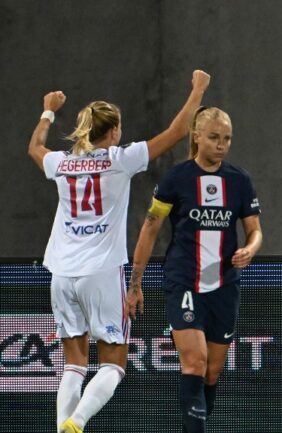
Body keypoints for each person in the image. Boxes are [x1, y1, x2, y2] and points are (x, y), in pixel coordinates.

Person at [27, 70, 210, 433]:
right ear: (112, 131)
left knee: (74, 365)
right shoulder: (119, 159)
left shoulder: (62, 163)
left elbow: (34, 148)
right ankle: (77, 422)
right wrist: (198, 90)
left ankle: (63, 428)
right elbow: (177, 132)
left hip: (61, 272)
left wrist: (48, 111)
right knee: (113, 365)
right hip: (101, 271)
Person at [127, 106, 263, 433]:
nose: (221, 144)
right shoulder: (177, 178)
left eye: (227, 138)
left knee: (212, 371)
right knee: (195, 361)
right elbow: (150, 228)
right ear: (197, 137)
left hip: (224, 285)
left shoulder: (240, 180)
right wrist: (135, 283)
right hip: (184, 281)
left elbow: (255, 230)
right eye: (214, 137)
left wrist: (250, 249)